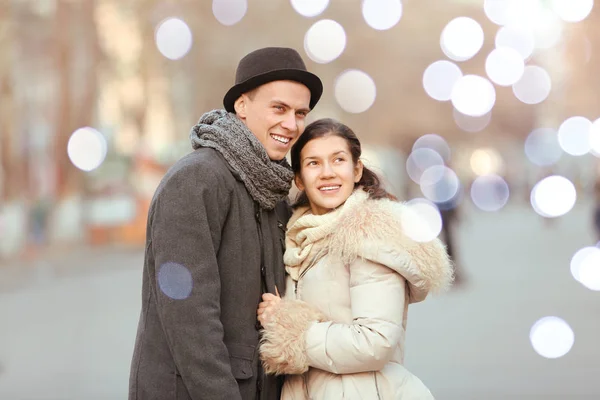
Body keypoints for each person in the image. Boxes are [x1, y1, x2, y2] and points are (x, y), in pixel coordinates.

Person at [128, 47, 323, 400]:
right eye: (278, 108)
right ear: (242, 106)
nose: (291, 124)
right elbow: (189, 319)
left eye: (300, 113)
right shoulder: (196, 180)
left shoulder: (273, 188)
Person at [256, 119, 453, 399]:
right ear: (298, 178)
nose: (327, 173)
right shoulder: (301, 239)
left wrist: (288, 327)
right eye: (313, 163)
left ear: (356, 169)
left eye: (338, 160)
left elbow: (375, 342)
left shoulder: (366, 237)